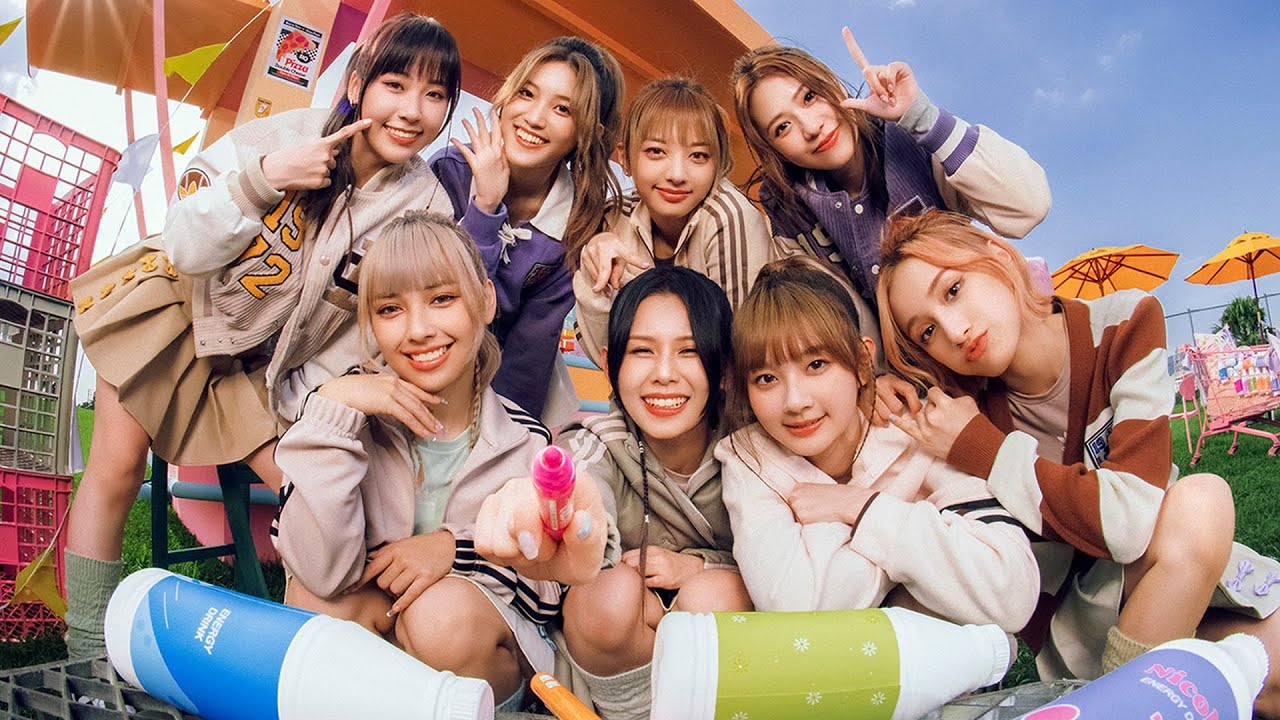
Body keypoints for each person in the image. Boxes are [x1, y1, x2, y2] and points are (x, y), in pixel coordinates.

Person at [64, 13, 460, 659]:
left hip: (261, 374)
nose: (412, 110)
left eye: (435, 94)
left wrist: (308, 408)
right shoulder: (287, 135)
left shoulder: (427, 206)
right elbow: (186, 242)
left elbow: (366, 333)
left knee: (316, 492)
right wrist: (265, 176)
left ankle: (345, 651)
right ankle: (86, 652)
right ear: (356, 83)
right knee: (116, 467)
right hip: (176, 311)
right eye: (395, 85)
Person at [877, 210, 1280, 716]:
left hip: (1174, 566)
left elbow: (1128, 521)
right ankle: (1119, 705)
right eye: (927, 331)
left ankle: (1144, 691)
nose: (955, 332)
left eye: (954, 290)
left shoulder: (1123, 323)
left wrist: (985, 449)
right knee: (1204, 501)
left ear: (999, 257)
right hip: (1078, 616)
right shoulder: (958, 411)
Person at [273, 212, 608, 712]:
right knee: (314, 603)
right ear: (370, 323)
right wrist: (332, 409)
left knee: (438, 617)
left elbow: (550, 589)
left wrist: (454, 550)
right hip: (381, 631)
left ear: (485, 301)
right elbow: (318, 572)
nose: (418, 330)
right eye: (390, 309)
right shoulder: (336, 423)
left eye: (442, 299)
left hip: (479, 656)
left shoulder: (524, 441)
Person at [715, 256, 1038, 633]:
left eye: (816, 365)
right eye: (766, 379)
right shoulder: (747, 457)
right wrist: (921, 548)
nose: (795, 401)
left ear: (862, 362)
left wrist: (860, 507)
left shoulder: (920, 429)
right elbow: (794, 608)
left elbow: (1010, 594)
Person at [729, 26, 1050, 355]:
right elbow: (833, 316)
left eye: (809, 97)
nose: (811, 127)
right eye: (782, 127)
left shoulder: (911, 135)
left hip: (998, 336)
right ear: (773, 150)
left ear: (832, 82)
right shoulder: (791, 213)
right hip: (916, 374)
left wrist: (923, 117)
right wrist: (878, 372)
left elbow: (1028, 206)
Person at [554, 267, 752, 720]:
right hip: (620, 664)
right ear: (610, 365)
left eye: (689, 351)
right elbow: (581, 503)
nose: (664, 374)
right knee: (606, 594)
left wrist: (699, 566)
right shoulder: (593, 442)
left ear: (724, 369)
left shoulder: (751, 446)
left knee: (711, 598)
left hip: (728, 663)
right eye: (642, 351)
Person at [430, 36, 624, 422]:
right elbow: (434, 299)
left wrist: (501, 439)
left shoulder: (573, 227)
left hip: (495, 402)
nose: (534, 118)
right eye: (526, 93)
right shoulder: (451, 170)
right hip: (414, 367)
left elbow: (527, 361)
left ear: (585, 133)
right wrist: (484, 209)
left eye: (563, 109)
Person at [571, 77, 771, 368]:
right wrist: (595, 274)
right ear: (625, 157)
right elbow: (606, 356)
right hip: (646, 388)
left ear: (718, 164)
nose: (677, 174)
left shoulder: (727, 217)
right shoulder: (614, 218)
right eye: (656, 151)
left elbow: (743, 358)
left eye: (698, 156)